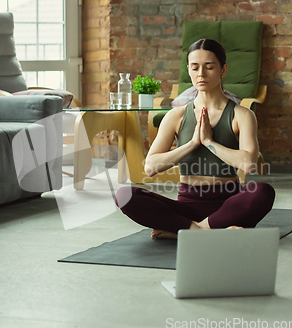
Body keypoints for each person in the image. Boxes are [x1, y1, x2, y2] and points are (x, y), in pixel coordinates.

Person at [115, 39, 275, 239]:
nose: (201, 74)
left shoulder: (242, 115)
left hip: (227, 207)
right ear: (189, 70)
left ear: (223, 69)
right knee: (124, 196)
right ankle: (202, 232)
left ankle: (185, 232)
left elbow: (249, 164)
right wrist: (192, 144)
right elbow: (150, 167)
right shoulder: (176, 116)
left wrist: (210, 143)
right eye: (195, 67)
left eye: (209, 67)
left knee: (263, 192)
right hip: (186, 208)